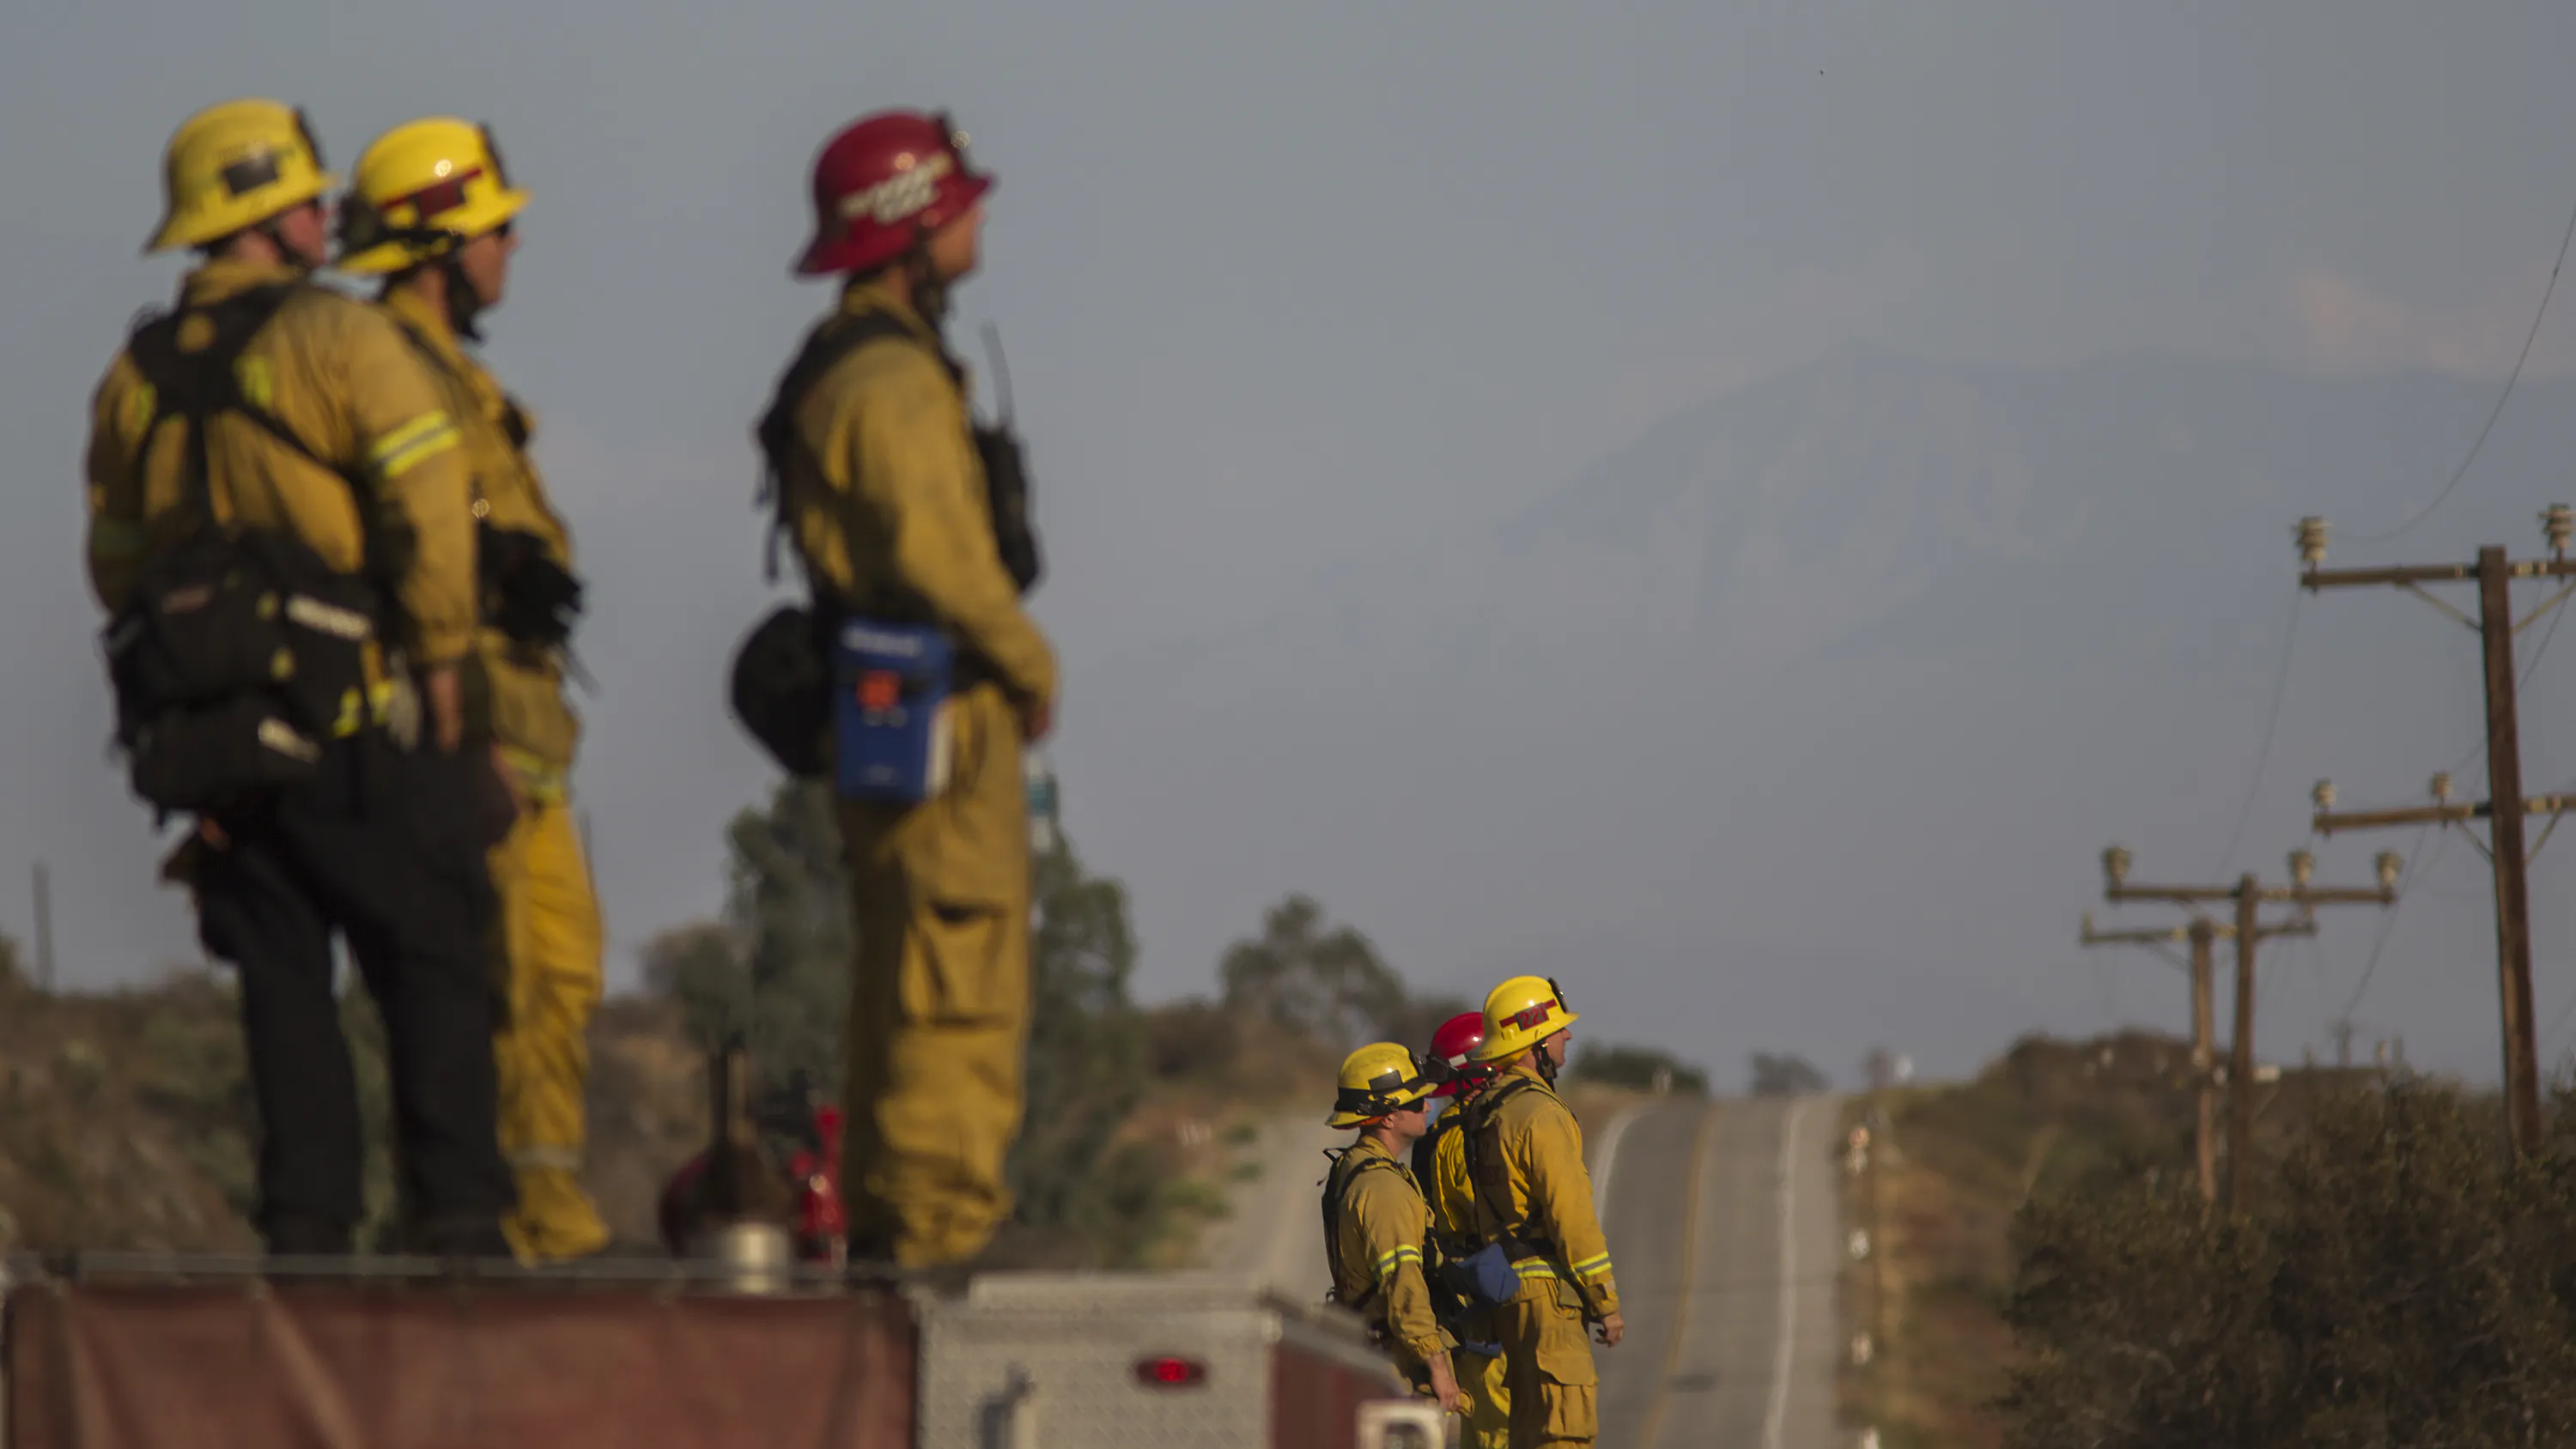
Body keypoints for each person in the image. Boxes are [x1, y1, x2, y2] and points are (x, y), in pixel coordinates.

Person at [83, 98, 514, 1258]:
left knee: (282, 987)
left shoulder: (133, 378)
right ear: (262, 218)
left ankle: (306, 1248)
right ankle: (460, 1234)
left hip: (217, 746)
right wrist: (443, 665)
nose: (330, 219)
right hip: (355, 724)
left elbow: (115, 564)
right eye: (309, 202)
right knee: (433, 959)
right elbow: (431, 508)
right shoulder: (337, 340)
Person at [754, 107, 1058, 1268]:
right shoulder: (890, 380)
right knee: (953, 970)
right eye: (957, 204)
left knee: (911, 964)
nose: (978, 220)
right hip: (940, 711)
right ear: (910, 227)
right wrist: (1027, 660)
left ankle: (902, 1211)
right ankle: (936, 1223)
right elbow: (939, 556)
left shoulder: (871, 365)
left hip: (902, 708)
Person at [334, 115, 609, 1263]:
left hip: (525, 730)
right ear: (442, 247)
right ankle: (505, 1233)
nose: (512, 248)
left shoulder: (452, 376)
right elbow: (428, 539)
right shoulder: (394, 368)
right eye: (495, 229)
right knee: (503, 983)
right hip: (474, 727)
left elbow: (478, 520)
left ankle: (546, 1219)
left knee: (559, 976)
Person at [1464, 977, 1624, 1448]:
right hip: (1549, 1298)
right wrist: (1605, 1301)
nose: (1567, 1036)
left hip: (1511, 1295)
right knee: (1563, 1432)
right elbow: (1571, 1216)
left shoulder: (1488, 1110)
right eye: (1557, 1030)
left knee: (1528, 1431)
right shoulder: (1541, 1114)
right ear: (1533, 1042)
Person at [1323, 1042, 1466, 1418]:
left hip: (1372, 1351)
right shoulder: (1384, 1188)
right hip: (1395, 1365)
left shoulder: (1354, 1167)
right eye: (1416, 1102)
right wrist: (1437, 1367)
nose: (1428, 1107)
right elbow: (1404, 1283)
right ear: (1387, 1117)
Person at [1414, 1011, 1515, 1449]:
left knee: (1486, 1425)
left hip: (1470, 1299)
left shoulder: (1445, 1132)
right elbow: (1488, 1214)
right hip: (1487, 1300)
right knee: (1501, 1425)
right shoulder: (1465, 1137)